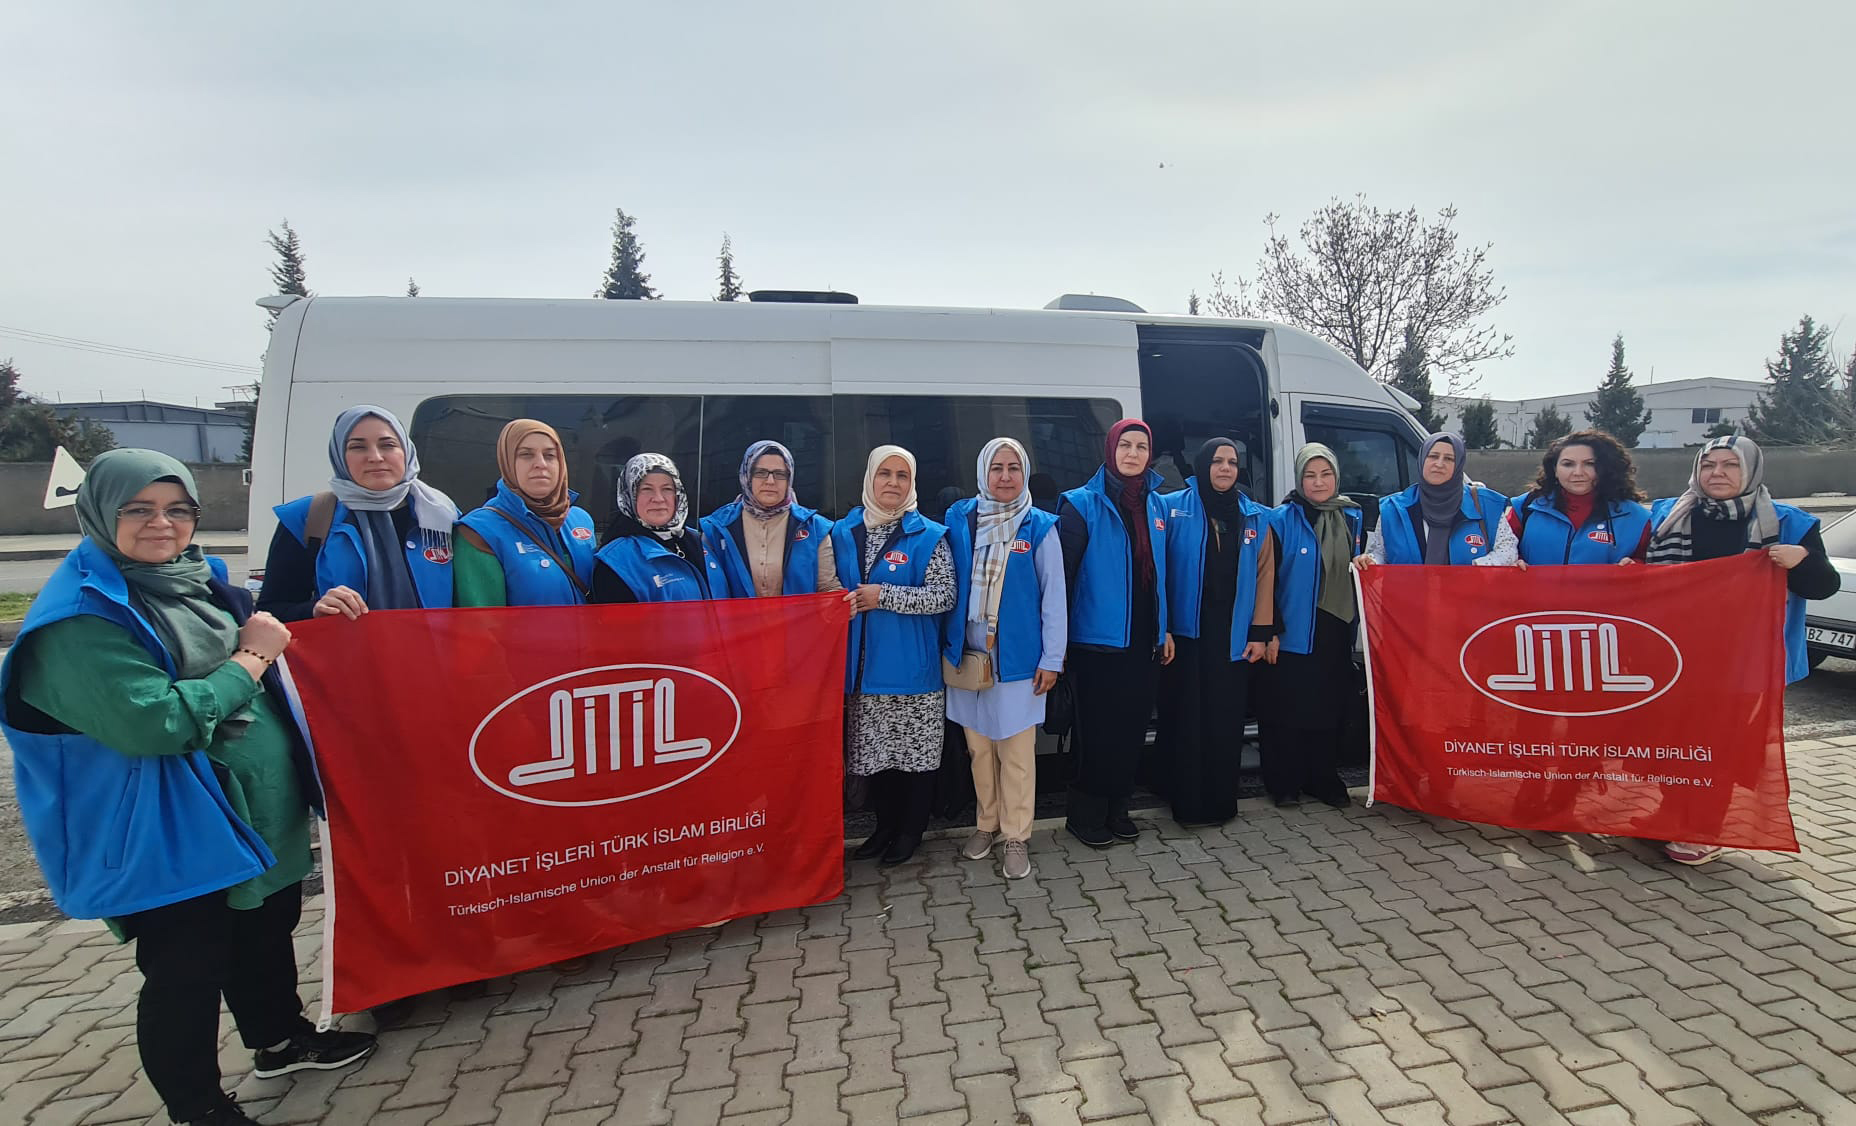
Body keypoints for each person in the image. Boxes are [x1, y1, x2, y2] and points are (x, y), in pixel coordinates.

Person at [0, 451, 374, 1126]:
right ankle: (196, 1103)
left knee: (265, 926)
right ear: (98, 512)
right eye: (137, 509)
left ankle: (278, 1040)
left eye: (177, 509)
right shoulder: (82, 619)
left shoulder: (193, 579)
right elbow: (158, 722)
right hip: (170, 822)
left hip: (252, 807)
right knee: (187, 964)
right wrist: (254, 657)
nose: (161, 525)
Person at [1647, 435, 1840, 865]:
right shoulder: (1668, 515)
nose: (1717, 474)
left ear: (1751, 470)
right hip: (1674, 653)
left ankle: (1704, 824)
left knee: (1721, 744)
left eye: (1730, 465)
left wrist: (1801, 561)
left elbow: (1825, 586)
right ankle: (1670, 810)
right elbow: (1643, 572)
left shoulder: (1789, 523)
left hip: (1746, 657)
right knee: (1673, 740)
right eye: (1709, 465)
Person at [943, 438, 1065, 879]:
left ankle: (1017, 836)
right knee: (978, 748)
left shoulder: (1040, 527)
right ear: (983, 473)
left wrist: (1052, 659)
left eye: (1014, 468)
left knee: (1016, 751)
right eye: (997, 468)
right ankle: (986, 824)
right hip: (967, 655)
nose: (1006, 476)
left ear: (1025, 474)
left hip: (1017, 658)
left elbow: (1054, 599)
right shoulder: (961, 520)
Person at [833, 445, 956, 866]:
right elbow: (828, 587)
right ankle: (883, 828)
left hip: (912, 670)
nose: (892, 483)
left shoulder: (929, 535)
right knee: (876, 759)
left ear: (912, 484)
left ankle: (909, 832)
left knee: (915, 760)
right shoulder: (843, 532)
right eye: (884, 473)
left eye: (902, 476)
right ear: (869, 479)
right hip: (863, 672)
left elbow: (944, 596)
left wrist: (883, 595)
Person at [1057, 419, 1172, 848]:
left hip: (1144, 641)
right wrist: (1059, 645)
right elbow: (1063, 579)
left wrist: (1166, 630)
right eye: (1125, 445)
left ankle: (1117, 808)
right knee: (1098, 735)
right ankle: (1085, 815)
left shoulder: (1155, 506)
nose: (1133, 454)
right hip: (1095, 642)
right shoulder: (1080, 505)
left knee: (1130, 730)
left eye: (1141, 446)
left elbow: (1163, 575)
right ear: (1110, 449)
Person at [1157, 438, 1277, 827]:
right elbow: (1158, 572)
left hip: (1234, 637)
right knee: (1188, 719)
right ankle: (1187, 804)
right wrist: (1164, 628)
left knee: (1225, 721)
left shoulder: (1256, 517)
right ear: (1203, 465)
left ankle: (1221, 802)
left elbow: (1264, 578)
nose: (1226, 468)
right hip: (1187, 636)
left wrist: (1260, 634)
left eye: (1233, 462)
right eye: (1218, 461)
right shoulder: (1172, 507)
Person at [258, 405, 460, 622]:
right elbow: (271, 610)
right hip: (342, 654)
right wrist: (314, 610)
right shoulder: (308, 517)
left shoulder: (443, 514)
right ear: (339, 456)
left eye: (388, 445)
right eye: (357, 447)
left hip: (433, 655)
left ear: (407, 451)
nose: (375, 457)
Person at [1265, 444, 1363, 808]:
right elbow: (1267, 580)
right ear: (1300, 478)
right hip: (1292, 630)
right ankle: (1285, 783)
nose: (1318, 482)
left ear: (1336, 476)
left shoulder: (1351, 516)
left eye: (1325, 474)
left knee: (1327, 708)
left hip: (1335, 627)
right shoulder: (1281, 519)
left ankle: (1322, 778)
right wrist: (1269, 629)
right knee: (1288, 710)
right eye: (1310, 475)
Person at [453, 420, 598, 605]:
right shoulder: (479, 531)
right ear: (507, 462)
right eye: (526, 455)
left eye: (550, 455)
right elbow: (482, 624)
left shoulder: (580, 519)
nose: (541, 464)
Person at [701, 440, 842, 598]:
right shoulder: (717, 527)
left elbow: (827, 587)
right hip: (737, 623)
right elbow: (706, 590)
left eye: (779, 474)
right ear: (747, 476)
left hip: (796, 623)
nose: (770, 481)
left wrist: (840, 603)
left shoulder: (813, 527)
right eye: (760, 472)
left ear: (790, 479)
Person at [1358, 433, 1517, 567]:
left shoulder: (1485, 505)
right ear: (1422, 460)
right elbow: (1379, 552)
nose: (1439, 464)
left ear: (1459, 465)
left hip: (1468, 601)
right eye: (1433, 456)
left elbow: (1508, 550)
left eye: (1449, 459)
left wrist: (1475, 569)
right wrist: (1369, 560)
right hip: (1408, 602)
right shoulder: (1393, 508)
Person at [1507, 429, 1651, 565]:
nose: (1578, 472)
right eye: (1568, 464)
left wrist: (1636, 566)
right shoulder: (1525, 507)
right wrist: (1512, 562)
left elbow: (1651, 564)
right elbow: (1501, 550)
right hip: (1535, 592)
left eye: (1590, 464)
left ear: (1607, 468)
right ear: (1554, 470)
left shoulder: (1638, 518)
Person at [591, 453, 720, 603]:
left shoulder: (699, 541)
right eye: (647, 489)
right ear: (629, 496)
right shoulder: (616, 561)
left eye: (667, 489)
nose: (658, 498)